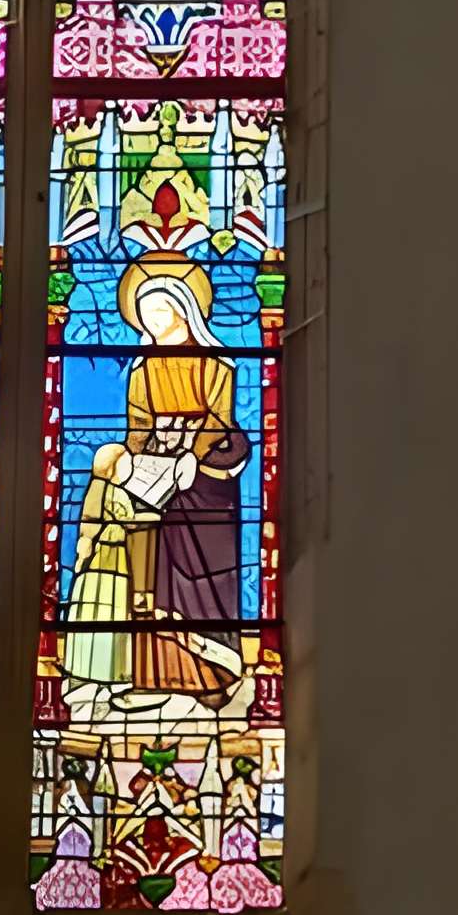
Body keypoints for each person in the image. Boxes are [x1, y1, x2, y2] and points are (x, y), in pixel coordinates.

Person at [117, 257, 250, 708]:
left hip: (204, 479)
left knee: (203, 569)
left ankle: (215, 669)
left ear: (183, 310)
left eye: (161, 310)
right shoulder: (140, 370)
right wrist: (136, 463)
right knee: (149, 568)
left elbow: (219, 420)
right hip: (156, 473)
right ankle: (156, 676)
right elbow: (137, 425)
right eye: (146, 312)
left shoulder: (217, 366)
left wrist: (189, 457)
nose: (153, 320)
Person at [61, 442, 142, 686]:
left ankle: (97, 667)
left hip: (106, 557)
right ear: (112, 467)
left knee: (101, 608)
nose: (131, 467)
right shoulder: (109, 491)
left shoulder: (104, 489)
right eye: (126, 462)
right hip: (108, 557)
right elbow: (118, 521)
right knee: (107, 606)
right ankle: (105, 671)